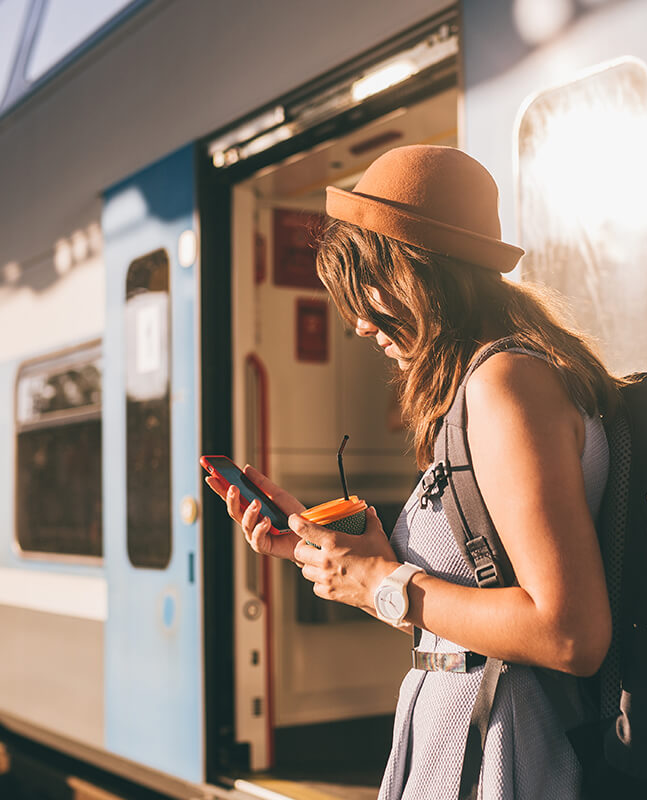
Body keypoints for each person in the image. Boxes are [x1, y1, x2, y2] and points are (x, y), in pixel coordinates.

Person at [205, 145, 625, 799]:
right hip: (476, 737)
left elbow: (568, 633)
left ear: (415, 271)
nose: (356, 324)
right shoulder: (493, 382)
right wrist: (348, 570)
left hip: (508, 754)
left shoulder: (505, 383)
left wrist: (381, 576)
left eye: (361, 289)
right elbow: (481, 619)